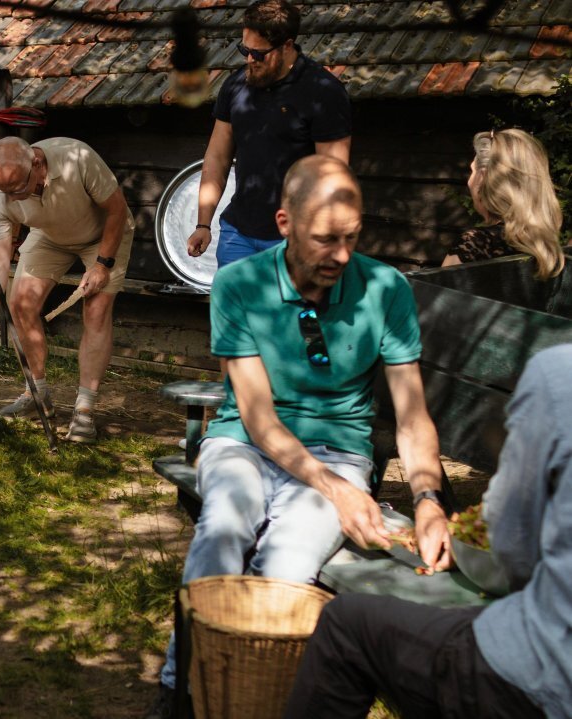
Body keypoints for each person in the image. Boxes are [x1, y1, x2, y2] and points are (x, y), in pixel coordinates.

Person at [146, 155, 452, 719]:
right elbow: (259, 419)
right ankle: (181, 693)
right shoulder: (239, 283)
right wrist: (336, 490)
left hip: (339, 451)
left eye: (351, 239)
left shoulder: (386, 290)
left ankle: (252, 699)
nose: (340, 256)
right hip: (244, 442)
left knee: (289, 563)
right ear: (284, 223)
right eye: (325, 240)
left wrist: (429, 501)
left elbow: (411, 416)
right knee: (223, 531)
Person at [284, 343, 572, 719]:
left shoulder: (557, 374)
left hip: (538, 677)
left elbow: (511, 541)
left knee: (345, 623)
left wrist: (437, 508)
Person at [0, 136, 134, 443]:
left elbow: (117, 209)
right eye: (4, 191)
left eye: (17, 189)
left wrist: (103, 265)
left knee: (95, 309)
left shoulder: (77, 158)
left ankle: (84, 411)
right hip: (51, 235)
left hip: (104, 235)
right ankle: (37, 396)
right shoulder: (0, 195)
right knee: (21, 305)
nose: (10, 198)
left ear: (36, 164)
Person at [186, 0, 352, 268]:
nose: (249, 59)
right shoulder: (236, 85)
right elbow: (216, 157)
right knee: (231, 309)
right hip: (237, 233)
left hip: (293, 239)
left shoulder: (323, 93)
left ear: (287, 45)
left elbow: (333, 175)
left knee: (286, 311)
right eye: (244, 49)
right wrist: (203, 223)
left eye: (259, 53)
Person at [443, 128, 566, 278]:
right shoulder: (549, 250)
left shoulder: (475, 244)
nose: (469, 181)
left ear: (485, 179)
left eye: (473, 171)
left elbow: (438, 299)